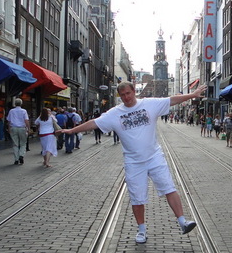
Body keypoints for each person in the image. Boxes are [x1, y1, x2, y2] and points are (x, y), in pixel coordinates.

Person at [59, 81, 206, 244]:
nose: (126, 97)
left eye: (128, 93)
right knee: (137, 197)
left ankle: (183, 222)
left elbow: (171, 100)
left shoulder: (149, 104)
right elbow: (94, 123)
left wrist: (192, 95)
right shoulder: (114, 113)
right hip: (133, 162)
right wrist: (72, 130)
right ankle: (141, 231)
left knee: (169, 187)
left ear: (134, 92)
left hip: (154, 156)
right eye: (122, 95)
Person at [5, 98, 30, 165]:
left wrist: (9, 128)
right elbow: (26, 120)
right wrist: (28, 128)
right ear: (21, 104)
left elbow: (9, 121)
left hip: (13, 128)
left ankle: (16, 159)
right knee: (23, 143)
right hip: (22, 128)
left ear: (15, 104)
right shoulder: (24, 111)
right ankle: (21, 155)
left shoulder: (11, 111)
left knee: (15, 144)